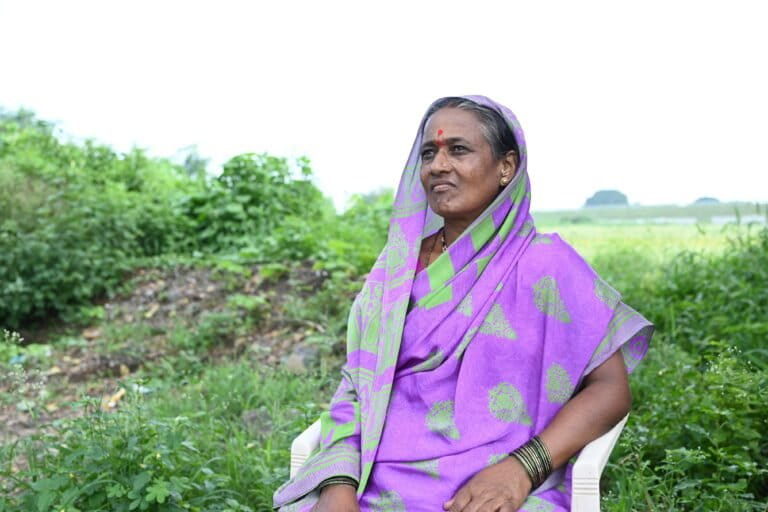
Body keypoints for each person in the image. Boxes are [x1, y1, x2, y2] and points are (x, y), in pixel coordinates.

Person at [273, 95, 653, 512]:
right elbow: (359, 385)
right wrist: (339, 486)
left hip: (495, 490)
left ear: (506, 167)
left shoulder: (547, 265)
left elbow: (611, 390)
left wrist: (521, 469)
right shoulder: (396, 271)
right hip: (375, 484)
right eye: (428, 153)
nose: (438, 165)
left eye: (458, 149)